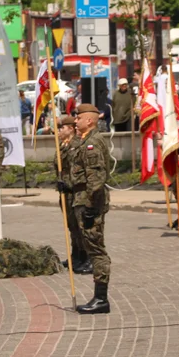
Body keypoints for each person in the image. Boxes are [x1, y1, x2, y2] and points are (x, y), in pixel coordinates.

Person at [69, 104, 112, 314]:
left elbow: (96, 179)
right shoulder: (85, 141)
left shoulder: (92, 143)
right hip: (83, 200)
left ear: (90, 121)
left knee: (96, 250)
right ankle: (99, 298)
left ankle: (101, 299)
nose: (75, 121)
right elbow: (82, 173)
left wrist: (91, 207)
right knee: (92, 247)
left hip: (90, 204)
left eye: (78, 118)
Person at [55, 115, 90, 274]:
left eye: (62, 128)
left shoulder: (76, 145)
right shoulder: (63, 145)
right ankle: (76, 255)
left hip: (74, 191)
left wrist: (68, 183)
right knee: (72, 227)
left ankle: (86, 257)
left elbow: (76, 169)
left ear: (70, 129)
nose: (59, 131)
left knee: (80, 227)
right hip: (66, 192)